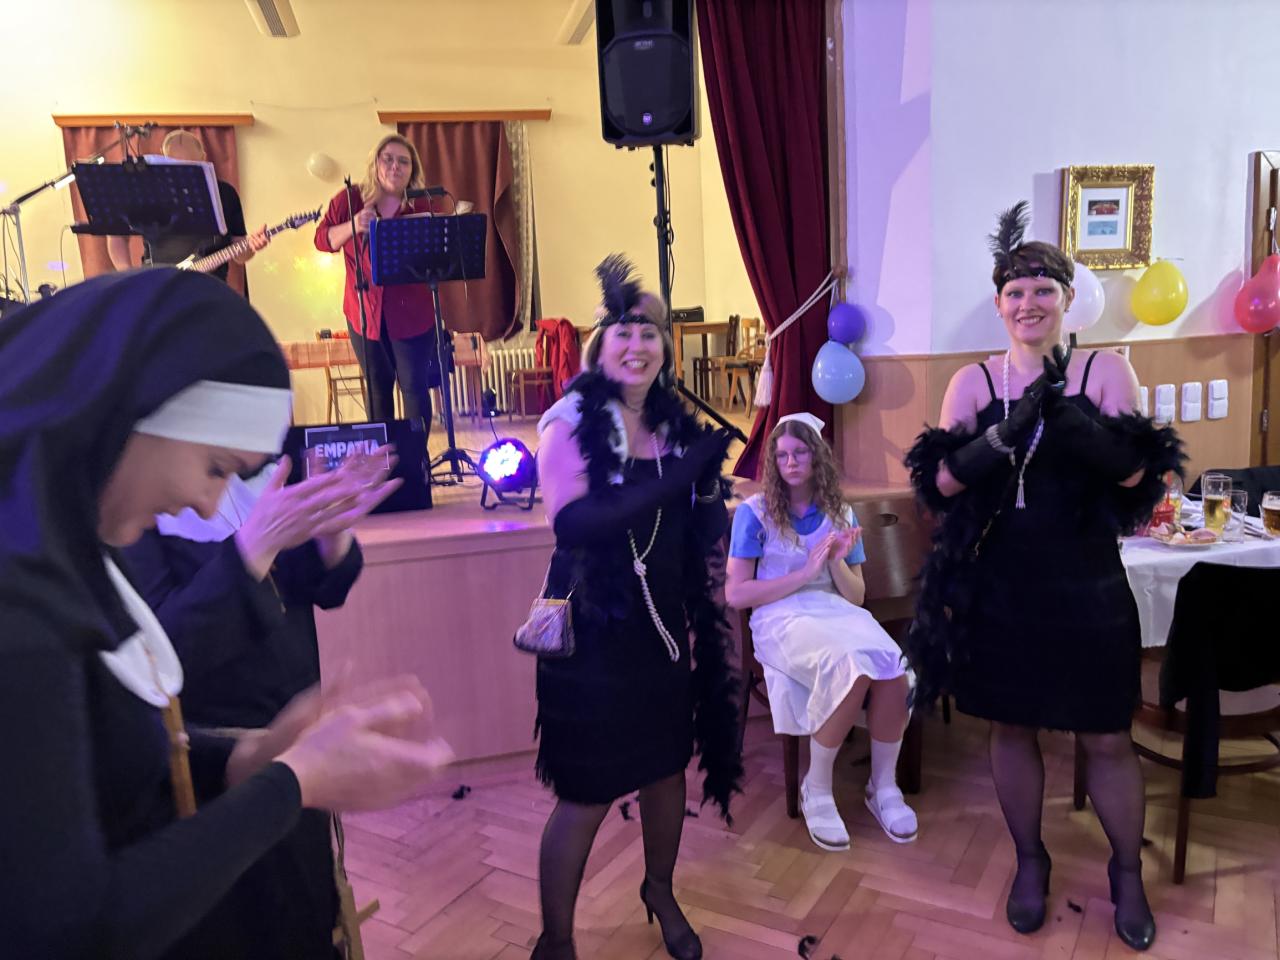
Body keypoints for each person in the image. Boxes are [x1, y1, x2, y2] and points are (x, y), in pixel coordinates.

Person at [0, 268, 452, 959]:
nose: (212, 502)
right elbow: (66, 927)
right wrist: (286, 781)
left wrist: (248, 758)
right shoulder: (25, 601)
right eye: (215, 467)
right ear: (133, 410)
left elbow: (117, 750)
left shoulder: (74, 540)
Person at [904, 203, 1183, 952]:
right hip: (1001, 587)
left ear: (1066, 298)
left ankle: (1128, 873)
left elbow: (1137, 477)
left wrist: (1072, 423)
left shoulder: (1103, 370)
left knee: (1107, 736)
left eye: (1043, 290)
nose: (1028, 304)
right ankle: (1031, 860)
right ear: (999, 304)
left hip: (1086, 582)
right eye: (1015, 292)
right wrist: (997, 438)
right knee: (1011, 725)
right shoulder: (971, 382)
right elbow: (939, 486)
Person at [531, 256, 742, 960]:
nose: (636, 344)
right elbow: (574, 525)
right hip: (594, 633)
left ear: (664, 347)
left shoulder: (675, 426)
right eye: (622, 331)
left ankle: (659, 888)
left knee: (665, 770)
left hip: (663, 632)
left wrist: (708, 492)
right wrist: (678, 477)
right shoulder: (569, 421)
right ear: (600, 344)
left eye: (649, 332)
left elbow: (701, 533)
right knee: (586, 792)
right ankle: (556, 939)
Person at [118, 459, 385, 959]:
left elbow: (319, 587)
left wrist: (331, 535)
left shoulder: (257, 471)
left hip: (295, 749)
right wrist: (253, 548)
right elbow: (159, 657)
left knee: (307, 914)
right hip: (209, 768)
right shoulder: (135, 502)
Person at [725, 413, 916, 850]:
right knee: (851, 666)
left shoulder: (839, 511)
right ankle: (817, 787)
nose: (791, 462)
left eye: (800, 452)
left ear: (817, 457)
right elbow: (736, 594)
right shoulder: (754, 514)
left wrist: (833, 561)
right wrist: (805, 573)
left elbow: (856, 597)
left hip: (835, 611)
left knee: (895, 668)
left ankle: (883, 787)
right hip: (779, 616)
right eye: (782, 455)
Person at [313, 133, 446, 442]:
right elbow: (322, 240)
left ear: (412, 171)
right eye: (388, 159)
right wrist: (353, 225)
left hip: (413, 315)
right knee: (377, 389)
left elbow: (439, 255)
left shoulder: (423, 204)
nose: (395, 166)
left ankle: (415, 458)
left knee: (414, 388)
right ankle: (384, 460)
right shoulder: (349, 200)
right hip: (363, 313)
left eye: (403, 162)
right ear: (375, 163)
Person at [107, 130, 269, 282]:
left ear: (203, 158)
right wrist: (127, 275)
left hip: (209, 287)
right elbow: (116, 236)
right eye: (176, 166)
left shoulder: (225, 193)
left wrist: (252, 246)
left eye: (191, 166)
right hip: (156, 283)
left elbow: (240, 257)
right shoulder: (149, 193)